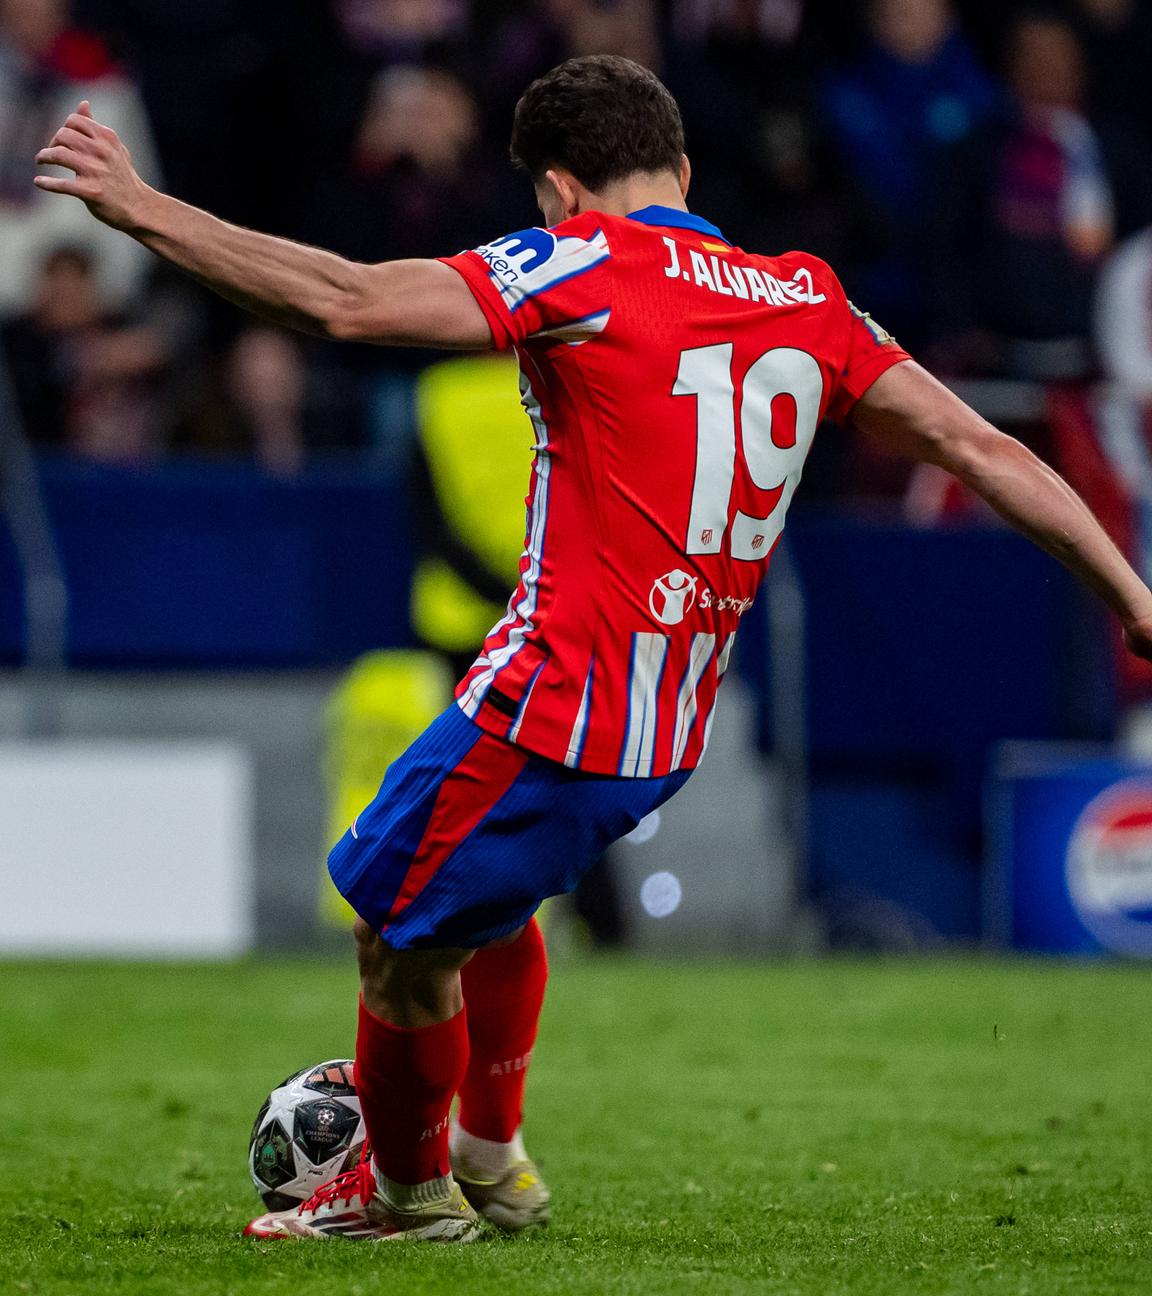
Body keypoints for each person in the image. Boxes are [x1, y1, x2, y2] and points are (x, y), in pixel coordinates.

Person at [35, 55, 1152, 1244]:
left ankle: (408, 1198)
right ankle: (492, 1154)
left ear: (560, 194)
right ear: (683, 165)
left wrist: (144, 208)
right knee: (488, 901)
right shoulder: (804, 297)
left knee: (397, 941)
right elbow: (984, 450)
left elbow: (345, 302)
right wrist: (1132, 595)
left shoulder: (580, 261)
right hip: (666, 724)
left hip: (554, 704)